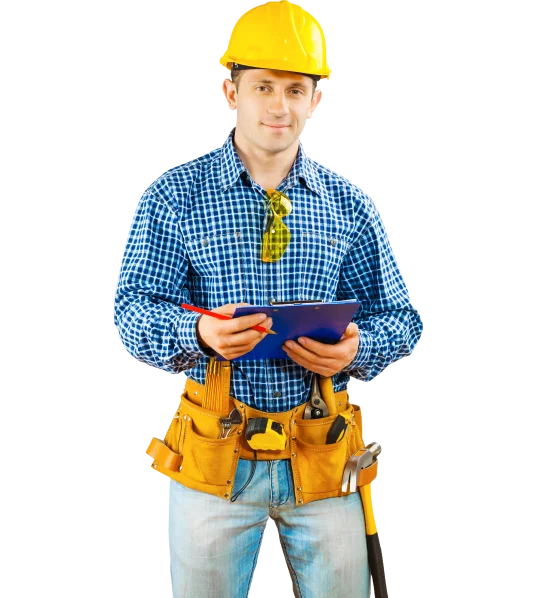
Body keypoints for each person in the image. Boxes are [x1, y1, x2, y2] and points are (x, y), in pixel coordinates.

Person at [113, 1, 422, 596]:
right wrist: (197, 333)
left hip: (325, 457)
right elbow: (132, 310)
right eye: (263, 87)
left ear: (315, 101)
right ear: (231, 93)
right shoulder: (173, 197)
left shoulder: (351, 206)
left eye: (295, 89)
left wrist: (358, 348)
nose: (279, 105)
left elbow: (401, 320)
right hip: (212, 458)